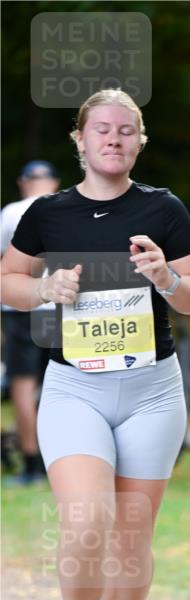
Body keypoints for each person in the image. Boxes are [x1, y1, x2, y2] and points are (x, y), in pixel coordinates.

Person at [0, 89, 190, 600]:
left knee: (132, 535)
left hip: (152, 389)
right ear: (80, 140)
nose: (114, 139)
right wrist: (46, 285)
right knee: (86, 521)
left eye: (127, 130)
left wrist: (166, 277)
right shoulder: (48, 213)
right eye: (102, 129)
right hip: (75, 387)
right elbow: (8, 283)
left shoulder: (163, 209)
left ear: (140, 141)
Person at [1, 160, 59, 484]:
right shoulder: (67, 207)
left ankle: (31, 463)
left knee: (23, 386)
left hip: (20, 308)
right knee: (63, 384)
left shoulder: (11, 213)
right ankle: (62, 461)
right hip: (61, 307)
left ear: (24, 183)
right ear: (55, 182)